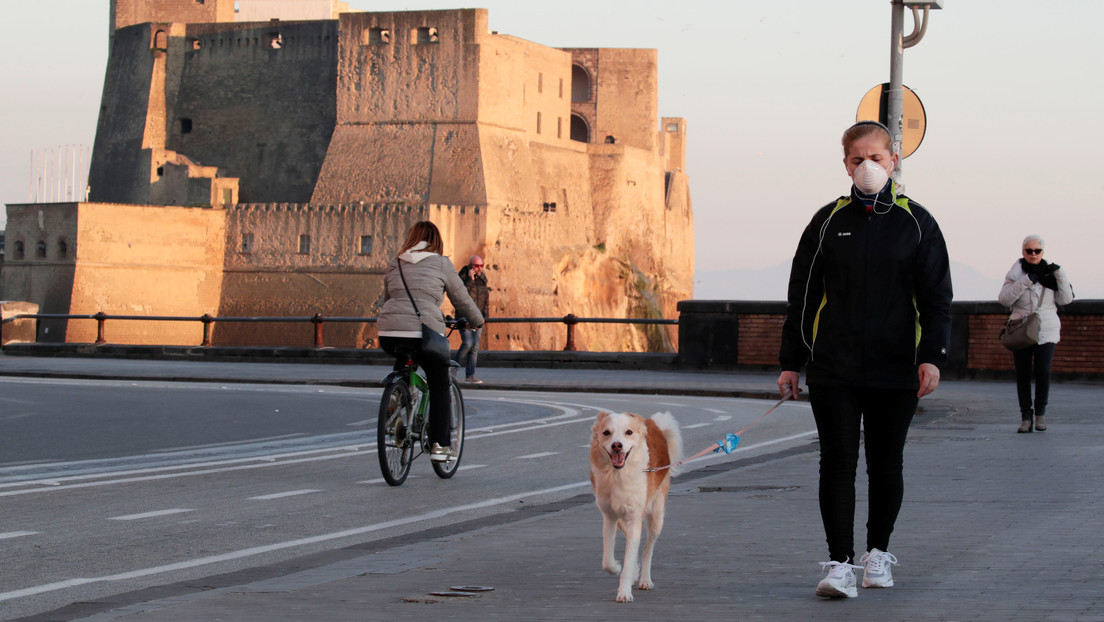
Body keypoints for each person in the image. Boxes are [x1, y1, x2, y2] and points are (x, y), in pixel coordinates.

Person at [777, 121, 953, 599]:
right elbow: (804, 296)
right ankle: (839, 565)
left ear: (894, 161)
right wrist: (791, 361)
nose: (868, 167)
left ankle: (878, 555)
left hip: (896, 366)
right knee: (836, 463)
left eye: (876, 157)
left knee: (885, 462)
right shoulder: (827, 221)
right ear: (846, 165)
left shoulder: (918, 222)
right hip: (835, 366)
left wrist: (932, 357)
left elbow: (936, 298)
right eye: (858, 159)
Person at [378, 221, 484, 462]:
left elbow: (388, 297)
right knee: (439, 381)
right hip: (424, 331)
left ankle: (396, 403)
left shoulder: (396, 263)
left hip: (389, 332)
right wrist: (477, 320)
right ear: (436, 242)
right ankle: (441, 446)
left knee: (405, 359)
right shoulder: (441, 263)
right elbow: (462, 299)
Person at [997, 235, 1074, 433]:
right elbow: (1005, 299)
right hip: (1021, 329)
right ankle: (1025, 417)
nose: (1033, 254)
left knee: (1043, 371)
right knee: (1023, 375)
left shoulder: (1051, 274)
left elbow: (1066, 300)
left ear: (1042, 253)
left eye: (1037, 251)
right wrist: (1026, 280)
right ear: (1023, 252)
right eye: (1029, 251)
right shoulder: (1015, 274)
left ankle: (1040, 415)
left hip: (1046, 329)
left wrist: (1061, 274)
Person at [454, 255, 490, 384]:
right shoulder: (462, 278)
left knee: (474, 347)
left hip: (478, 318)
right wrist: (470, 280)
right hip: (465, 318)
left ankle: (470, 375)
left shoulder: (483, 279)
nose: (479, 268)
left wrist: (485, 317)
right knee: (467, 344)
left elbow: (485, 300)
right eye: (476, 266)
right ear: (470, 266)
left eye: (481, 266)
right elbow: (461, 297)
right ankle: (451, 372)